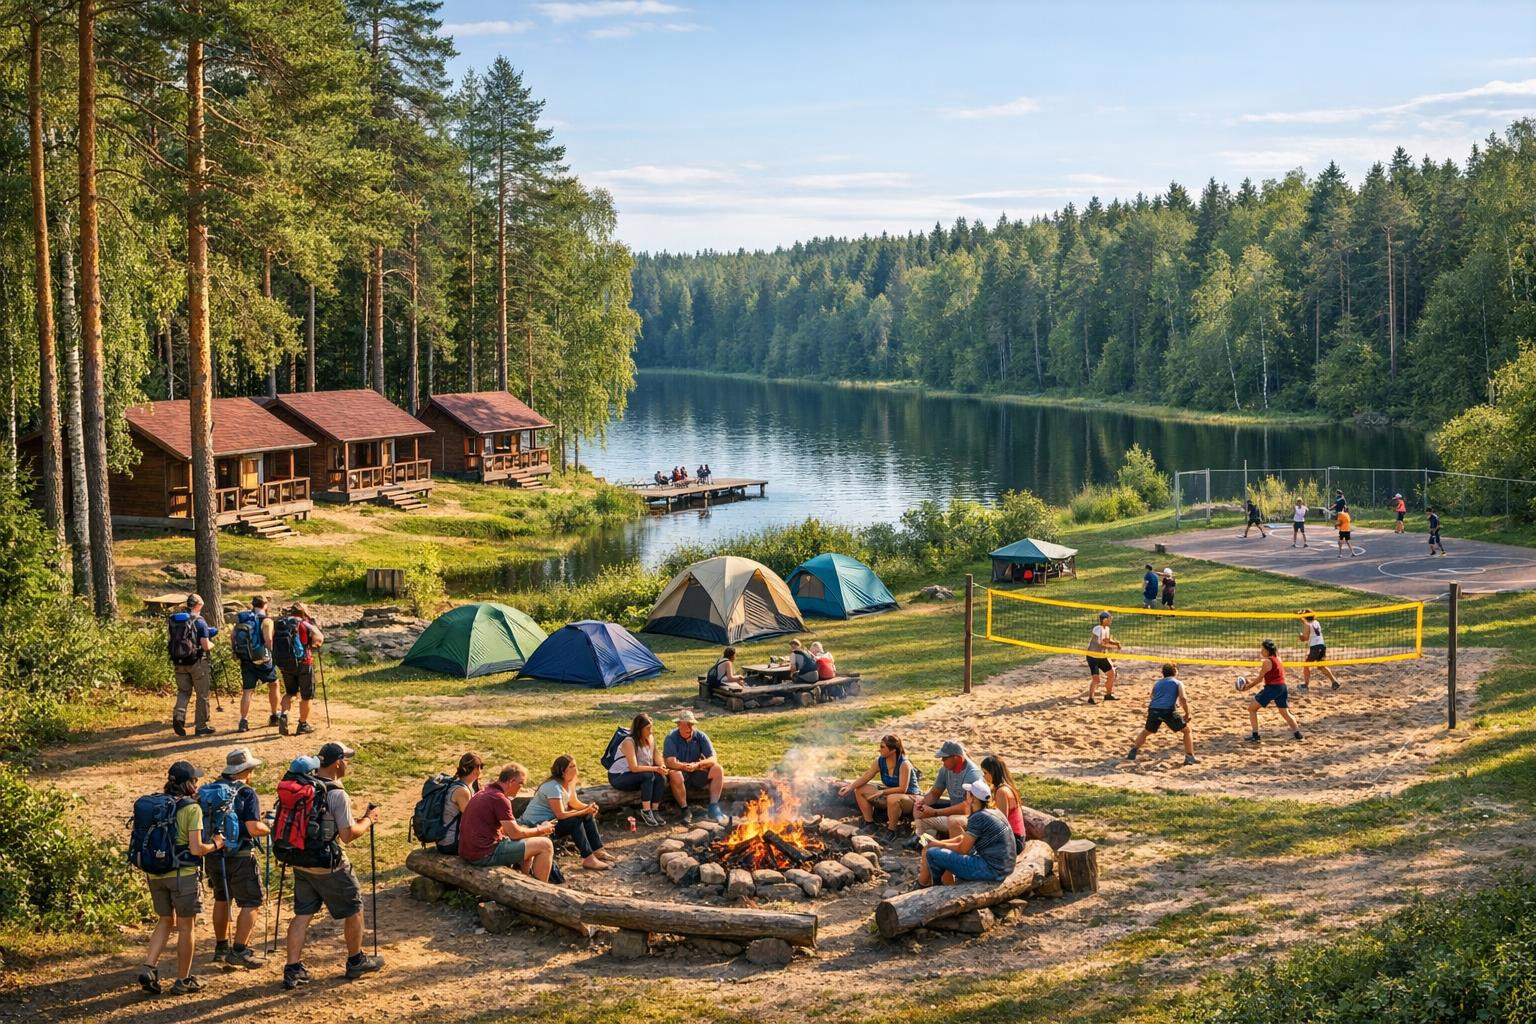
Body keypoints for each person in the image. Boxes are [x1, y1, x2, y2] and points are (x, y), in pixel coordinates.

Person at [281, 741, 383, 990]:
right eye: (346, 759)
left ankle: (292, 969)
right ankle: (356, 960)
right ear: (337, 762)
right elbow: (348, 835)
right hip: (330, 865)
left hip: (300, 861)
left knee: (302, 914)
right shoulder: (337, 793)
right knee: (354, 908)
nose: (348, 763)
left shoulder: (303, 785)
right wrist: (369, 820)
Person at [138, 760, 224, 995]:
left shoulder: (157, 804)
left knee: (165, 921)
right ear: (187, 783)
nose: (197, 783)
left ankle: (149, 967)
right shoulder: (190, 808)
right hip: (182, 875)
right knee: (187, 927)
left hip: (156, 874)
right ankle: (183, 979)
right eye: (194, 780)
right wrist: (215, 845)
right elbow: (196, 849)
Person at [206, 747, 271, 969]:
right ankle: (240, 950)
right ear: (245, 770)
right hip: (241, 855)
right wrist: (268, 827)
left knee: (222, 898)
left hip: (214, 853)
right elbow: (253, 828)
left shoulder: (211, 789)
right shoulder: (246, 793)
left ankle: (221, 947)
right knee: (251, 901)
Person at [457, 763, 556, 880]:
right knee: (546, 845)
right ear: (511, 782)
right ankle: (541, 891)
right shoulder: (499, 799)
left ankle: (525, 881)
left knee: (529, 840)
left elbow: (507, 830)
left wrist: (532, 833)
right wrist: (541, 830)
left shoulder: (486, 791)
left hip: (469, 851)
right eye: (521, 784)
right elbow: (515, 834)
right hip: (483, 854)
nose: (522, 788)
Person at [520, 755, 616, 871]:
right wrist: (583, 811)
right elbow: (560, 814)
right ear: (563, 770)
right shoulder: (553, 787)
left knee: (586, 815)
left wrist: (588, 808)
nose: (576, 769)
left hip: (551, 822)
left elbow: (574, 802)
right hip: (538, 825)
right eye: (572, 766)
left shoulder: (569, 783)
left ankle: (597, 850)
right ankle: (588, 859)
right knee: (574, 822)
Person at [916, 780, 1016, 886]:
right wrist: (938, 842)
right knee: (936, 849)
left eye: (968, 793)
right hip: (1004, 867)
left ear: (973, 798)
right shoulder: (994, 812)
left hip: (992, 870)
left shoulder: (978, 817)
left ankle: (935, 888)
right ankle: (933, 883)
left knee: (932, 853)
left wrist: (936, 844)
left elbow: (962, 849)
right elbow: (963, 838)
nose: (965, 795)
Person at [838, 734, 919, 834]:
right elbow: (867, 776)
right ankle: (870, 823)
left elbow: (903, 789)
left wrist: (882, 792)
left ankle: (891, 830)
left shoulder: (904, 764)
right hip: (889, 794)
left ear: (893, 750)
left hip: (910, 798)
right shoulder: (880, 761)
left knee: (892, 798)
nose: (879, 750)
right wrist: (850, 787)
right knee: (860, 790)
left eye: (882, 747)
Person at [911, 740, 985, 844]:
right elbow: (934, 794)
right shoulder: (945, 770)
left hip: (972, 817)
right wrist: (921, 803)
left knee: (953, 821)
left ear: (957, 758)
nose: (942, 760)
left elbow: (967, 807)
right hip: (953, 814)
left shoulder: (972, 774)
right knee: (921, 819)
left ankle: (958, 850)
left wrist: (935, 813)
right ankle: (927, 843)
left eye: (945, 758)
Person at [663, 710, 728, 824]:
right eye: (686, 725)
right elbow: (669, 762)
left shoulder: (701, 736)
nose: (690, 728)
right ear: (679, 725)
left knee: (718, 769)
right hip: (680, 775)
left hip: (697, 772)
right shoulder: (671, 738)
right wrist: (685, 766)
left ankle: (713, 806)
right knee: (674, 773)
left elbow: (713, 758)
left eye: (692, 724)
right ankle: (685, 809)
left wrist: (698, 765)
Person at [1125, 663, 1196, 765]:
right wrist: (1187, 713)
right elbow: (1183, 698)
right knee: (1187, 731)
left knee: (1146, 731)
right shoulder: (1178, 683)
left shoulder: (1157, 683)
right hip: (1167, 711)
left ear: (1163, 673)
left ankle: (1134, 750)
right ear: (1175, 672)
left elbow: (1152, 696)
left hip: (1153, 709)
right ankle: (1189, 756)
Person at [608, 713, 672, 827]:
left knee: (661, 777)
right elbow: (634, 767)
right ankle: (646, 811)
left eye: (651, 727)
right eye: (648, 729)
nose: (651, 731)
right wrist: (656, 768)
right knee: (648, 775)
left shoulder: (650, 738)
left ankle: (655, 810)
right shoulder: (629, 742)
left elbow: (656, 755)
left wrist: (661, 766)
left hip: (637, 774)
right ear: (639, 729)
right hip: (619, 776)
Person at [169, 594, 218, 737]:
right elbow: (206, 646)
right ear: (198, 605)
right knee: (202, 694)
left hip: (179, 661)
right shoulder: (200, 622)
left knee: (183, 691)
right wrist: (212, 644)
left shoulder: (176, 621)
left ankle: (179, 716)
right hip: (197, 662)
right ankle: (201, 726)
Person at [274, 603, 324, 737]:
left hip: (286, 663)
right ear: (304, 612)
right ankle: (303, 724)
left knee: (290, 692)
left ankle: (284, 714)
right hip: (304, 662)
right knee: (307, 696)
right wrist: (313, 643)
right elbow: (319, 639)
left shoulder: (282, 624)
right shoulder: (304, 623)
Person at [232, 595, 278, 733]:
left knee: (247, 691)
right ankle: (274, 715)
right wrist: (271, 654)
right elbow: (268, 639)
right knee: (274, 684)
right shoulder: (266, 620)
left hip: (246, 658)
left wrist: (235, 651)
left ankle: (243, 720)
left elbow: (232, 636)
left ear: (253, 604)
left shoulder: (244, 618)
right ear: (265, 605)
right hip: (261, 658)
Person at [1239, 640, 1302, 743]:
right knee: (1285, 712)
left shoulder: (1267, 662)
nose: (1261, 651)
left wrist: (1248, 687)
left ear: (1268, 650)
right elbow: (1273, 675)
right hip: (1282, 687)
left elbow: (1260, 679)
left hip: (1272, 688)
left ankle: (1255, 736)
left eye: (1263, 649)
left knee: (1252, 709)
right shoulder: (1278, 658)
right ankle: (1297, 734)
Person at [980, 755, 1027, 852]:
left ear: (993, 773)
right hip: (1014, 837)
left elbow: (1001, 822)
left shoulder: (1002, 791)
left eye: (985, 773)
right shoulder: (1002, 788)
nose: (983, 776)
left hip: (1014, 840)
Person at [438, 753, 483, 855]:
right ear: (477, 770)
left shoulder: (459, 784)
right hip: (451, 843)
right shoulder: (461, 791)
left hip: (446, 840)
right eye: (480, 767)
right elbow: (471, 818)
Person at [1297, 611, 1339, 691]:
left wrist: (1301, 636)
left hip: (1315, 648)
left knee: (1306, 665)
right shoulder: (1316, 622)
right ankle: (1335, 682)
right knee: (1321, 666)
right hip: (1322, 646)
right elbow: (1309, 625)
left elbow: (1305, 638)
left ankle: (1305, 685)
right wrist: (1301, 618)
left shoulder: (1307, 624)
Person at [1085, 611, 1121, 703]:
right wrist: (1112, 647)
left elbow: (1107, 640)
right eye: (1109, 618)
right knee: (1096, 679)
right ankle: (1091, 698)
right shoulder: (1097, 629)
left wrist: (1116, 643)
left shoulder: (1107, 629)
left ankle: (1108, 695)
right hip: (1093, 657)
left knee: (1112, 674)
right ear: (1105, 620)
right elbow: (1100, 642)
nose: (1110, 620)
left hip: (1102, 656)